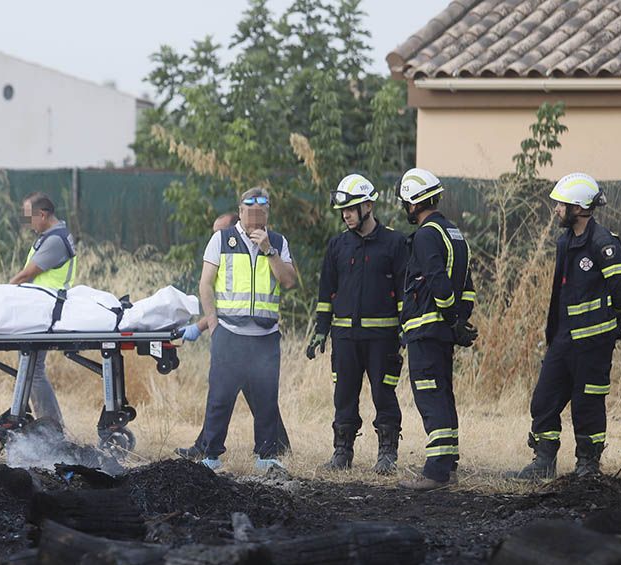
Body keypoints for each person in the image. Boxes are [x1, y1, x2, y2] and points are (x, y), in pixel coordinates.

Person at [508, 173, 621, 479]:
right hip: (563, 341)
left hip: (593, 345)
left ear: (578, 208)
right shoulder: (565, 242)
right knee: (544, 399)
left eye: (561, 205)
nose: (556, 210)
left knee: (587, 404)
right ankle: (543, 462)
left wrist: (609, 325)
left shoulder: (603, 244)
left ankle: (588, 465)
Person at [178, 186, 298, 471]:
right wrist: (214, 324)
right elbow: (206, 284)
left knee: (267, 399)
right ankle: (211, 456)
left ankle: (266, 456)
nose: (256, 216)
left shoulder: (278, 242)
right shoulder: (221, 240)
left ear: (268, 213)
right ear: (240, 211)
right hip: (229, 333)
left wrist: (269, 251)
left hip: (265, 336)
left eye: (263, 211)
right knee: (220, 398)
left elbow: (289, 281)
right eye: (250, 211)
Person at [308, 174, 408, 474]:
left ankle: (387, 455)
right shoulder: (337, 245)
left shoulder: (395, 242)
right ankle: (342, 453)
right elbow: (326, 292)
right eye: (343, 210)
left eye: (351, 209)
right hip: (345, 338)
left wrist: (407, 328)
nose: (346, 215)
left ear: (367, 205)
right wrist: (320, 331)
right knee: (344, 396)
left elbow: (405, 291)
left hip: (383, 339)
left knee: (384, 395)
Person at [394, 168, 478, 490]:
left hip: (427, 330)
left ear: (413, 203)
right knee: (443, 394)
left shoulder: (428, 234)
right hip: (442, 332)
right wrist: (459, 319)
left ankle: (436, 472)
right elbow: (467, 286)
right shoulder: (454, 233)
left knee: (430, 395)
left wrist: (450, 314)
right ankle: (449, 465)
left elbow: (436, 280)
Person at [9, 191, 77, 428]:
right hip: (40, 308)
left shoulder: (55, 240)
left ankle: (51, 425)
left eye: (30, 218)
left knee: (33, 370)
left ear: (43, 214)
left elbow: (29, 273)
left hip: (44, 310)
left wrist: (5, 290)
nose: (28, 224)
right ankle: (47, 423)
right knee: (31, 368)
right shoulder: (53, 236)